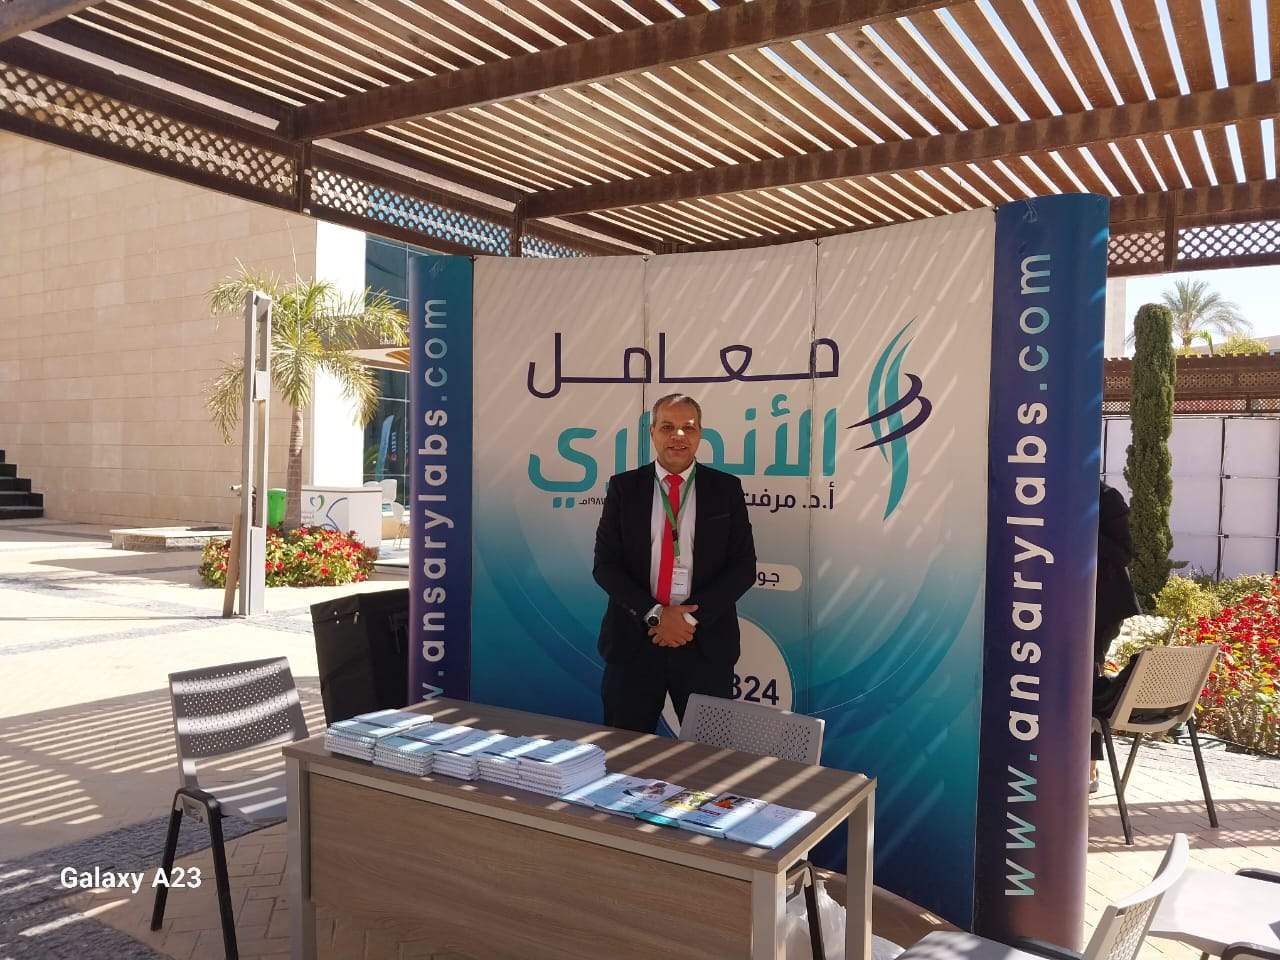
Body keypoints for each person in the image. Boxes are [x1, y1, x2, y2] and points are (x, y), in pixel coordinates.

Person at [592, 393, 757, 733]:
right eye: (667, 427)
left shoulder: (726, 489)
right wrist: (656, 614)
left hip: (704, 644)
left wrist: (688, 619)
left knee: (710, 753)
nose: (678, 436)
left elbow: (743, 568)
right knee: (624, 751)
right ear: (652, 432)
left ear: (700, 435)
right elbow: (605, 566)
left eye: (688, 428)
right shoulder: (624, 488)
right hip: (634, 643)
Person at [1090, 480, 1142, 791]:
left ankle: (1089, 768)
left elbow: (1124, 553)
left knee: (1089, 682)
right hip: (1062, 602)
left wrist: (1082, 530)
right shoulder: (1049, 492)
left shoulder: (1107, 497)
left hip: (1103, 608)